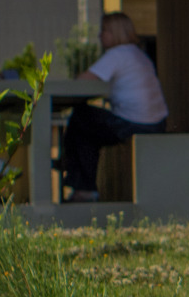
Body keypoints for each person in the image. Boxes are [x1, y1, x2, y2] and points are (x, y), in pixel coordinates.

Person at [59, 12, 167, 202]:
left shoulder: (117, 54)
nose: (100, 36)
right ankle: (82, 184)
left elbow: (82, 82)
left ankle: (83, 188)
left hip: (135, 123)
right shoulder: (138, 54)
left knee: (81, 117)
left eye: (105, 31)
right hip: (156, 123)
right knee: (88, 127)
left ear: (116, 33)